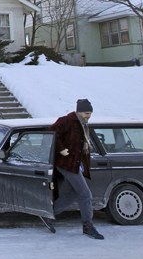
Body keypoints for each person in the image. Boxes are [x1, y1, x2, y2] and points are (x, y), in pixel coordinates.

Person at [39, 98, 104, 240]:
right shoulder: (67, 121)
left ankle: (48, 215)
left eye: (90, 113)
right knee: (86, 194)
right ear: (79, 112)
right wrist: (62, 149)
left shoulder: (83, 124)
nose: (89, 116)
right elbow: (51, 133)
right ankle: (88, 226)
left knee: (73, 193)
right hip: (67, 164)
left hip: (75, 164)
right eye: (87, 113)